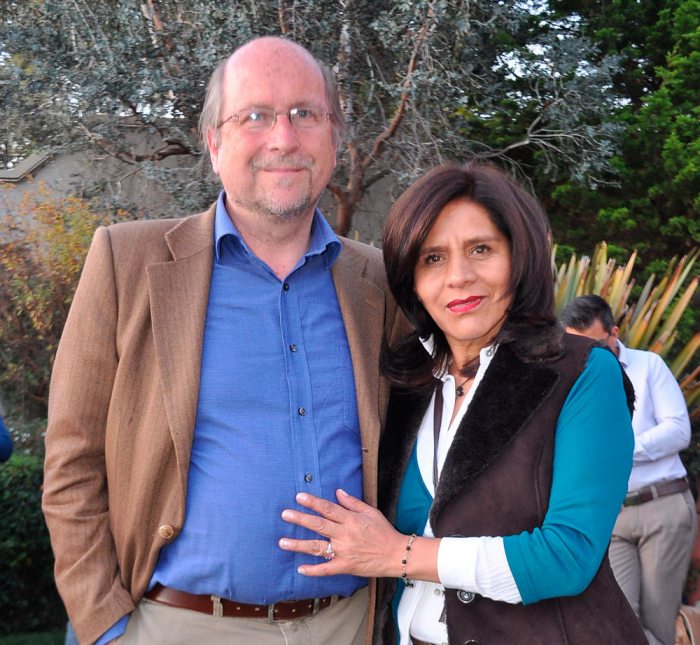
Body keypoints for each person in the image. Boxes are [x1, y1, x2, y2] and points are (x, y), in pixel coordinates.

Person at [42, 37, 404, 645]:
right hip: (174, 625)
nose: (283, 138)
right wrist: (104, 624)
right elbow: (72, 458)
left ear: (335, 138)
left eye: (305, 114)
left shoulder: (381, 282)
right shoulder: (126, 263)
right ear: (214, 143)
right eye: (255, 115)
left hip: (346, 625)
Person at [279, 161, 647, 644]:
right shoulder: (407, 383)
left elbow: (568, 555)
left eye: (480, 249)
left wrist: (397, 554)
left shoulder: (581, 372)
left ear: (519, 256)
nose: (458, 276)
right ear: (411, 280)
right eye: (432, 258)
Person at [561, 294, 695, 645]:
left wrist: (618, 451)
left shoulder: (648, 366)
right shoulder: (568, 380)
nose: (586, 355)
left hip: (662, 506)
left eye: (594, 345)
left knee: (657, 623)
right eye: (576, 346)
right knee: (617, 619)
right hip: (610, 515)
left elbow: (678, 430)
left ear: (614, 333)